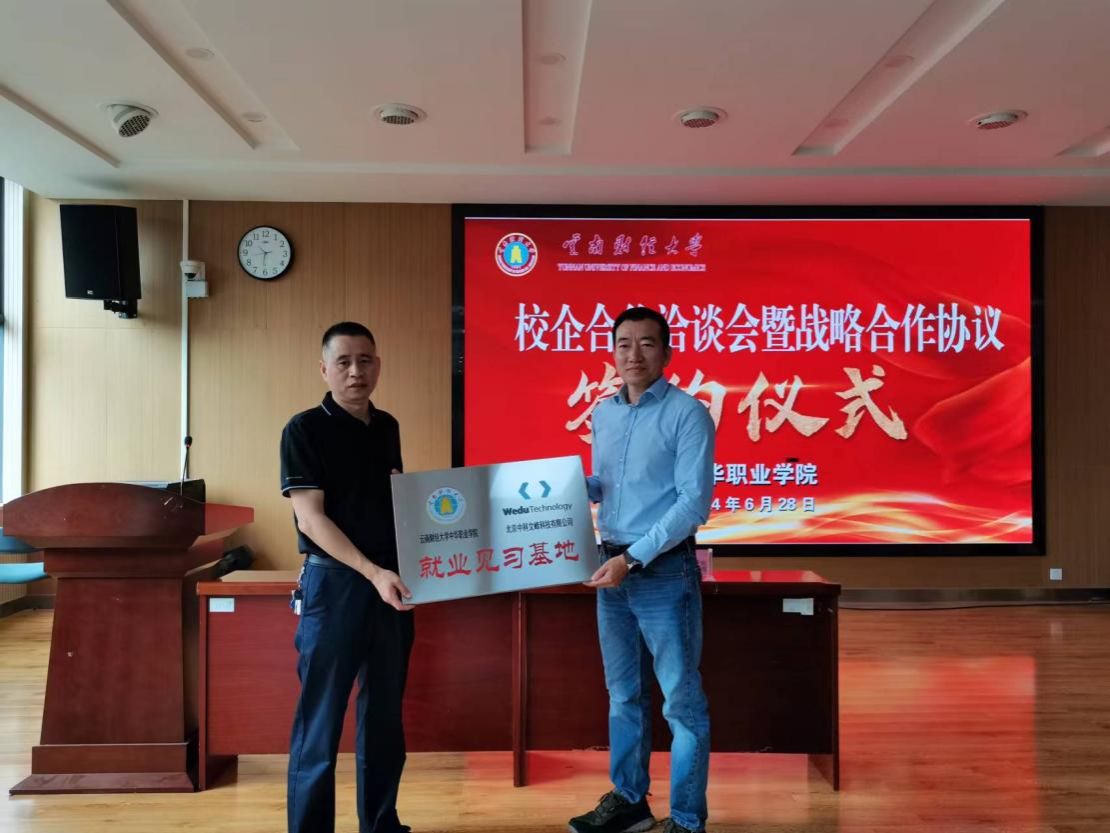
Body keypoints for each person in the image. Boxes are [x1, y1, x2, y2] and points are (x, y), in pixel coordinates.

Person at [571, 306, 716, 833]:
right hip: (611, 570)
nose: (634, 354)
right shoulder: (604, 415)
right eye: (624, 344)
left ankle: (687, 820)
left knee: (681, 702)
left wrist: (632, 558)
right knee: (623, 695)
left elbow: (692, 503)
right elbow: (607, 486)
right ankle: (631, 802)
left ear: (667, 353)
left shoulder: (688, 414)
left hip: (661, 572)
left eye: (647, 344)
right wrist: (566, 489)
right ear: (613, 352)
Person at [281, 321, 414, 833]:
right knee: (321, 721)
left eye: (366, 360)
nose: (356, 371)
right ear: (324, 369)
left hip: (390, 586)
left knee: (383, 718)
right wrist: (372, 572)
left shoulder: (387, 427)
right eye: (344, 362)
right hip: (334, 587)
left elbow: (395, 505)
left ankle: (381, 824)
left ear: (378, 365)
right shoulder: (304, 429)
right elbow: (310, 519)